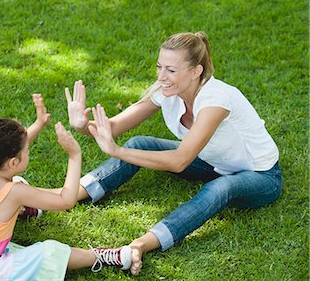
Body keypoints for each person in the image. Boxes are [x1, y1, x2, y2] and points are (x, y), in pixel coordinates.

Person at [65, 32, 282, 276]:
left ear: (195, 71)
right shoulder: (166, 91)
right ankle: (70, 196)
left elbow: (180, 161)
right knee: (140, 143)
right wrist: (82, 125)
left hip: (261, 175)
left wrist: (118, 151)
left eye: (171, 70)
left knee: (221, 187)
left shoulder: (216, 98)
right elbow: (111, 127)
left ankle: (140, 245)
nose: (161, 77)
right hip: (213, 163)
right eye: (159, 67)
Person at [0, 94, 132, 280]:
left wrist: (39, 124)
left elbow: (7, 151)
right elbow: (66, 200)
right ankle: (99, 256)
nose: (28, 151)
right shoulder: (14, 193)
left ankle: (26, 210)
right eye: (27, 151)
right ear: (14, 162)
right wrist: (74, 156)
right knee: (49, 252)